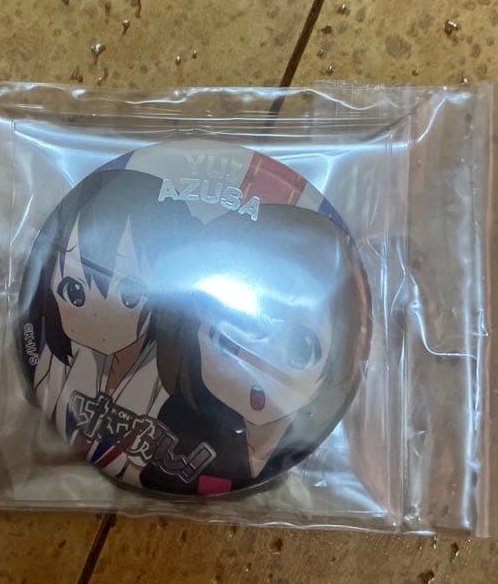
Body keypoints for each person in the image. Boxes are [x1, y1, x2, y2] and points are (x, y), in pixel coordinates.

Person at [140, 203, 371, 495]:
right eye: (227, 341)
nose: (260, 366)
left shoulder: (329, 448)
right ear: (192, 335)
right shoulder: (181, 422)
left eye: (301, 349)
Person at [16, 168, 191, 479]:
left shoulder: (179, 385)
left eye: (128, 295)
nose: (97, 316)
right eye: (74, 291)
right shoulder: (55, 363)